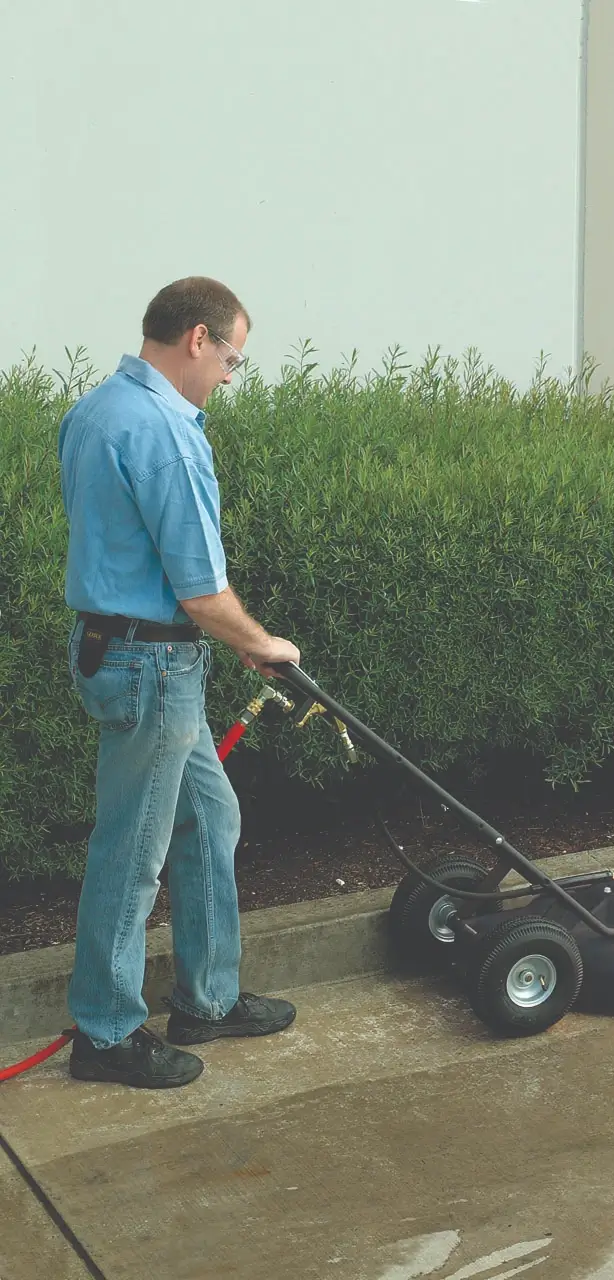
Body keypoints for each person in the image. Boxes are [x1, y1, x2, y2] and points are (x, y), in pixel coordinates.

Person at [59, 277, 301, 1089]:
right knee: (132, 853)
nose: (230, 375)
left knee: (209, 817)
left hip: (121, 650)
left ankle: (207, 997)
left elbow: (136, 558)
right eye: (233, 357)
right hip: (153, 667)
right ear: (197, 339)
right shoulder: (165, 431)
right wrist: (262, 642)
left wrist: (223, 638)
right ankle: (105, 1032)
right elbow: (199, 591)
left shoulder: (96, 409)